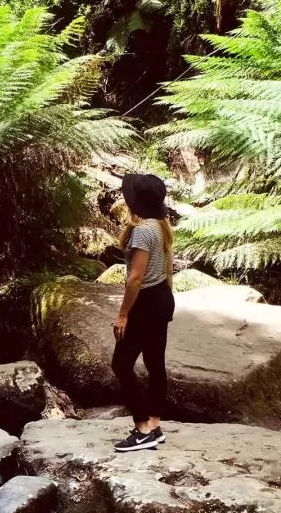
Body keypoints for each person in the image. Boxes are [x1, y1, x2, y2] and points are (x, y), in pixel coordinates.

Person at [111, 173, 175, 453]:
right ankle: (155, 425)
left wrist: (123, 314)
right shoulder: (160, 226)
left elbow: (135, 278)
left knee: (122, 365)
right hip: (162, 298)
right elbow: (163, 269)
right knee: (154, 364)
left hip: (146, 302)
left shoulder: (142, 231)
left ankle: (142, 430)